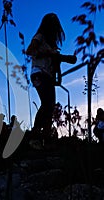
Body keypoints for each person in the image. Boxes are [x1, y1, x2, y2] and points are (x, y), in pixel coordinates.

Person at [26, 13, 66, 145]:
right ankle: (35, 136)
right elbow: (30, 51)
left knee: (50, 107)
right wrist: (48, 53)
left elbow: (55, 63)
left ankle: (46, 139)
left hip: (48, 75)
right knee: (46, 104)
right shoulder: (40, 37)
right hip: (39, 72)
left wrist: (58, 75)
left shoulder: (51, 43)